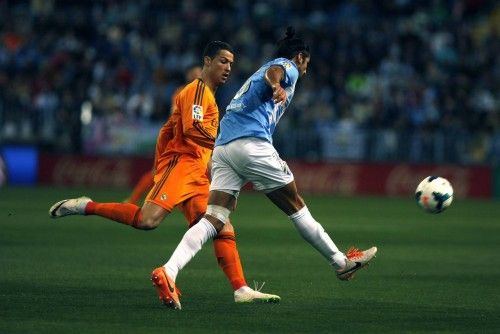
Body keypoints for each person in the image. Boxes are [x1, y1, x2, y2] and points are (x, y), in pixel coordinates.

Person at [152, 27, 378, 310]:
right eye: (306, 63)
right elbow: (277, 74)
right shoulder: (286, 66)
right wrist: (277, 86)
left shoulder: (260, 71)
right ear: (299, 57)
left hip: (223, 150)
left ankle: (169, 271)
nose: (306, 70)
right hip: (252, 146)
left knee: (214, 220)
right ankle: (341, 262)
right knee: (296, 205)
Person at [49, 41, 280, 306]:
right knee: (148, 221)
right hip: (180, 165)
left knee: (220, 225)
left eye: (231, 63)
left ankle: (240, 289)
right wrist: (225, 142)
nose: (228, 67)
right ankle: (86, 206)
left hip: (197, 172)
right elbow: (192, 130)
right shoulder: (196, 91)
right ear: (207, 61)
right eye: (222, 61)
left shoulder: (209, 96)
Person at [124, 65, 203, 206]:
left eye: (199, 73)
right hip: (174, 137)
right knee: (157, 171)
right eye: (195, 73)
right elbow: (175, 115)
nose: (198, 75)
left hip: (188, 139)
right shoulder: (182, 92)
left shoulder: (202, 94)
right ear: (188, 75)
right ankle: (132, 201)